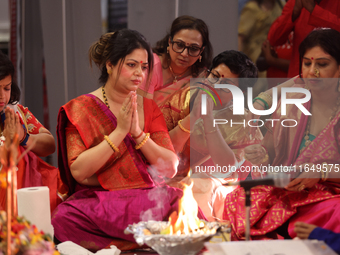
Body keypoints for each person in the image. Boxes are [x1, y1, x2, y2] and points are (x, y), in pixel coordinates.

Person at [52, 29, 205, 252]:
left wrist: (137, 134)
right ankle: (149, 242)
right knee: (63, 218)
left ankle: (137, 244)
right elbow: (79, 172)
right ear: (110, 65)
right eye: (131, 65)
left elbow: (170, 168)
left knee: (179, 199)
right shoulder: (80, 109)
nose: (139, 74)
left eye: (144, 67)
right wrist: (119, 131)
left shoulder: (148, 106)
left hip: (148, 199)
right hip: (100, 202)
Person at [223, 29, 340, 240]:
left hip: (330, 195)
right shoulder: (291, 104)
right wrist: (262, 156)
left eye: (322, 65)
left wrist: (321, 174)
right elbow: (270, 155)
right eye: (307, 63)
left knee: (334, 212)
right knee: (238, 198)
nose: (312, 71)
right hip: (289, 191)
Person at [160, 50, 262, 221]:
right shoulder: (182, 99)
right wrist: (192, 117)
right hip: (171, 174)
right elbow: (162, 148)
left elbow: (226, 168)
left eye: (226, 84)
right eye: (214, 76)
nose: (215, 85)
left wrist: (207, 118)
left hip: (216, 184)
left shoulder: (244, 122)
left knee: (199, 186)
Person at [0, 51, 58, 212]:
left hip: (25, 195)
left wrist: (24, 137)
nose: (2, 96)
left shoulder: (17, 112)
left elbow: (50, 145)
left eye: (6, 88)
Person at [137, 15, 213, 106]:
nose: (184, 54)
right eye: (180, 45)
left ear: (201, 51)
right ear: (170, 42)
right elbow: (142, 111)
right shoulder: (151, 66)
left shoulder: (202, 77)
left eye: (193, 48)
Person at [268, 0, 340, 78]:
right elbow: (273, 39)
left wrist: (315, 11)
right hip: (298, 80)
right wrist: (294, 13)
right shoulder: (294, 2)